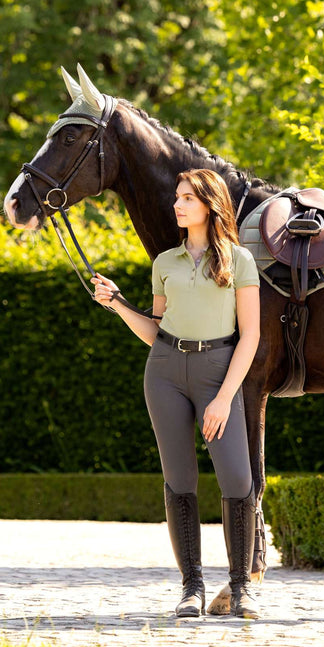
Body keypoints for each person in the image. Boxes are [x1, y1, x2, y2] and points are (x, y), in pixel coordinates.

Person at [92, 168, 261, 619]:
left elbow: (250, 336)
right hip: (165, 372)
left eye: (187, 198)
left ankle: (242, 587)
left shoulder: (239, 261)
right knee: (179, 481)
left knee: (237, 481)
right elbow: (156, 330)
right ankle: (191, 588)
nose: (178, 204)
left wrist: (225, 397)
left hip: (216, 373)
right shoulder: (164, 263)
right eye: (178, 197)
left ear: (209, 203)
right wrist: (117, 304)